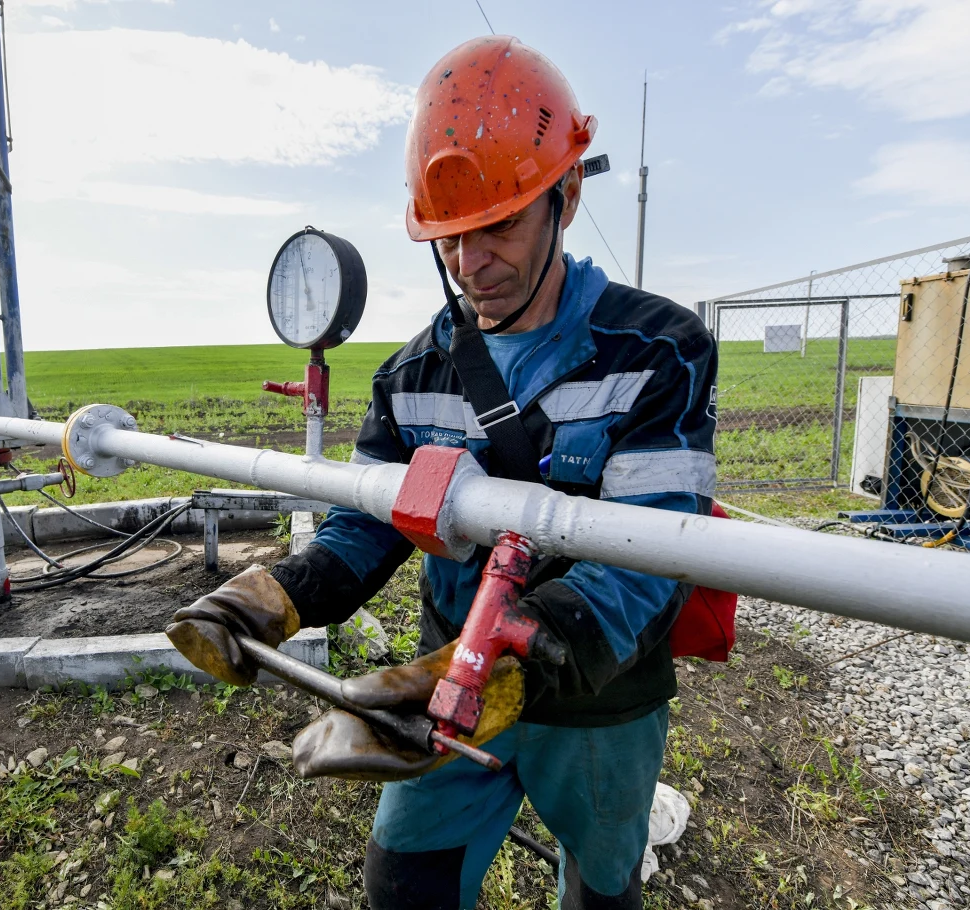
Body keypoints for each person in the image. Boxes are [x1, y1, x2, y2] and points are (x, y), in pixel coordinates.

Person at [166, 35, 717, 910]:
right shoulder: (412, 376)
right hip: (439, 694)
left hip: (599, 707)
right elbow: (370, 518)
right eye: (451, 237)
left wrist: (505, 665)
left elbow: (653, 550)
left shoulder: (655, 351)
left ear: (565, 198)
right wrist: (275, 596)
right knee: (405, 887)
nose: (471, 264)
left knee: (603, 890)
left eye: (497, 225)